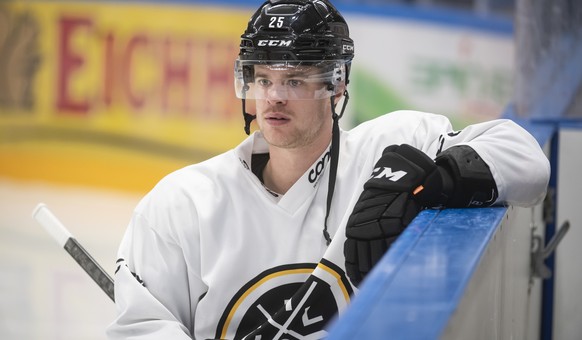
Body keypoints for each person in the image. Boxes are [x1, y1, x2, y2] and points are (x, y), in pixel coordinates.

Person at [107, 0, 550, 339]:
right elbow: (140, 327)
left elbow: (527, 158)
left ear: (336, 84)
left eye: (294, 80)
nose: (274, 97)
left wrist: (436, 179)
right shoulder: (181, 204)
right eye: (263, 79)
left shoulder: (387, 148)